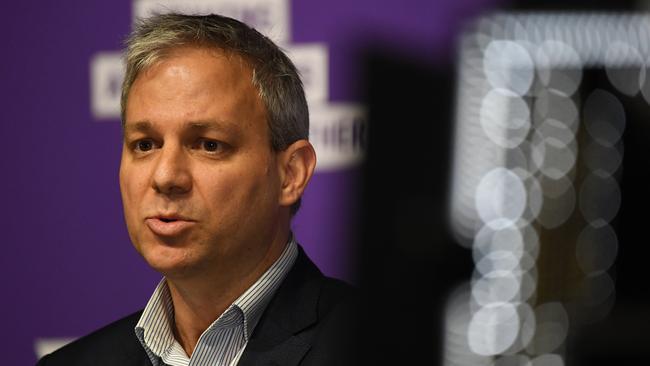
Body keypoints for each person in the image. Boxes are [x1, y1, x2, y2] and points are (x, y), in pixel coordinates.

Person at [37, 13, 356, 366]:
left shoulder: (384, 348)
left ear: (290, 174)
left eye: (208, 144)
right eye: (145, 145)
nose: (166, 176)